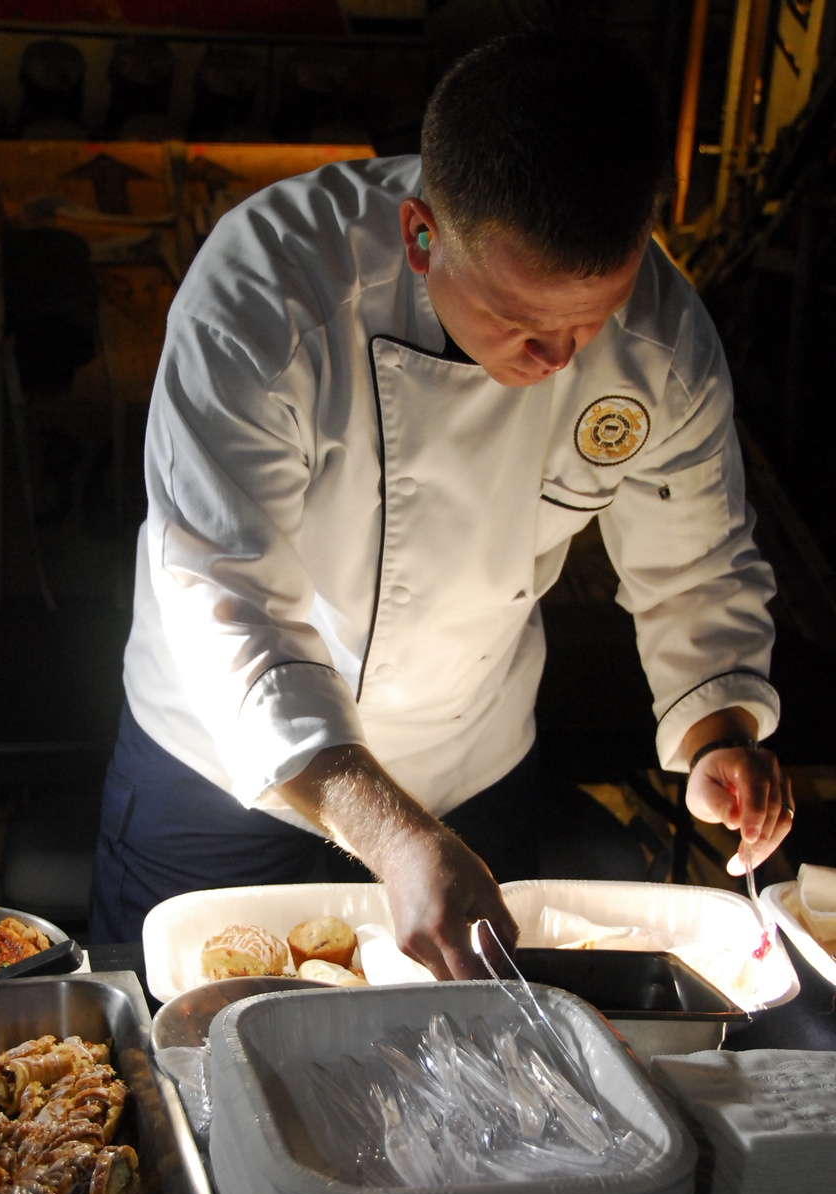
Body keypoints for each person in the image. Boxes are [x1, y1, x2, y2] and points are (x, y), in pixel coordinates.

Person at [89, 28, 793, 974]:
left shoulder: (665, 342)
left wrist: (719, 736)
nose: (560, 361)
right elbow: (229, 601)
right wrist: (391, 839)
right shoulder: (266, 290)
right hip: (225, 773)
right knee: (177, 1059)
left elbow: (699, 569)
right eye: (521, 321)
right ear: (420, 235)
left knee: (477, 1082)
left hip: (467, 766)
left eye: (591, 319)